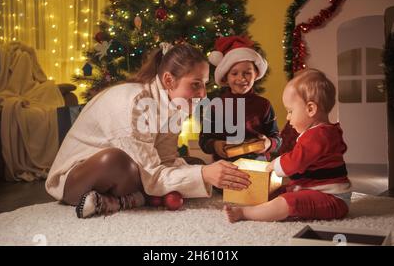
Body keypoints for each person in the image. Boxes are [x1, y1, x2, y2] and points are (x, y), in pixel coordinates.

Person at [45, 43, 252, 218]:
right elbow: (153, 175)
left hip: (134, 173)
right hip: (76, 181)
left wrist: (202, 172)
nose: (203, 94)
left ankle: (123, 200)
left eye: (205, 85)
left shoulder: (175, 104)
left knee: (193, 164)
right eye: (196, 85)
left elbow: (166, 159)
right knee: (118, 162)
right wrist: (204, 175)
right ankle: (133, 199)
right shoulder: (135, 102)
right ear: (169, 80)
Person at [224, 68, 352, 222]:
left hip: (331, 198)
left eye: (290, 111)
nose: (288, 117)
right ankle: (262, 207)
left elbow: (296, 162)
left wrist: (275, 164)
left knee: (288, 202)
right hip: (313, 189)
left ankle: (245, 214)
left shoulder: (319, 135)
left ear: (310, 109)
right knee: (279, 191)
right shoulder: (318, 132)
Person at [199, 36, 281, 162]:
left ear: (256, 74)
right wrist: (216, 145)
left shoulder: (264, 105)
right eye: (234, 73)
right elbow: (204, 140)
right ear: (226, 77)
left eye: (247, 73)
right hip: (225, 167)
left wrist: (268, 143)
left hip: (257, 165)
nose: (241, 79)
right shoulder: (216, 105)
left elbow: (276, 137)